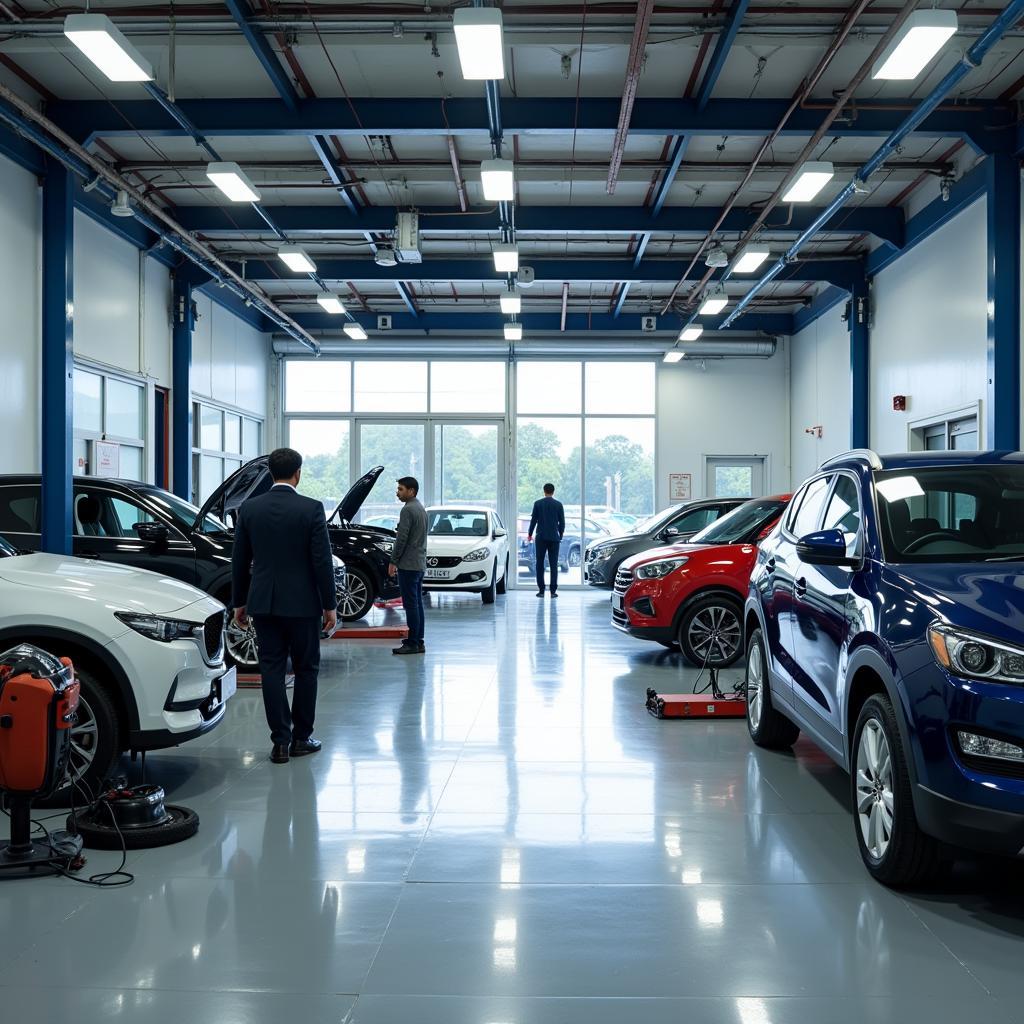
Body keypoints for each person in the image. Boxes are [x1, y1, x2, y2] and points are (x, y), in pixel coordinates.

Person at [231, 447, 337, 765]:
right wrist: (329, 605)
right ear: (298, 473)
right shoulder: (311, 509)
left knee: (272, 670)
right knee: (306, 669)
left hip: (263, 603)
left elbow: (240, 560)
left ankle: (280, 742)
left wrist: (240, 602)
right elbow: (322, 562)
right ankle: (302, 738)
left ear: (270, 474)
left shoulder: (249, 509)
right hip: (304, 604)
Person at [389, 476, 428, 655]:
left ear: (411, 491)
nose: (398, 492)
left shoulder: (407, 510)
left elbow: (401, 538)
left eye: (401, 489)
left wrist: (393, 561)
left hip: (408, 565)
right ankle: (418, 640)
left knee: (411, 605)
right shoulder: (421, 508)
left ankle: (412, 643)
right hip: (419, 564)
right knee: (417, 604)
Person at [528, 482, 565, 598]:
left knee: (540, 563)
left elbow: (533, 520)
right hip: (554, 538)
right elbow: (562, 522)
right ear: (553, 492)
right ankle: (553, 591)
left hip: (541, 537)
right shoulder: (558, 505)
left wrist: (530, 534)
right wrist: (560, 534)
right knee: (554, 564)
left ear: (544, 491)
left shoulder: (538, 504)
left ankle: (541, 590)